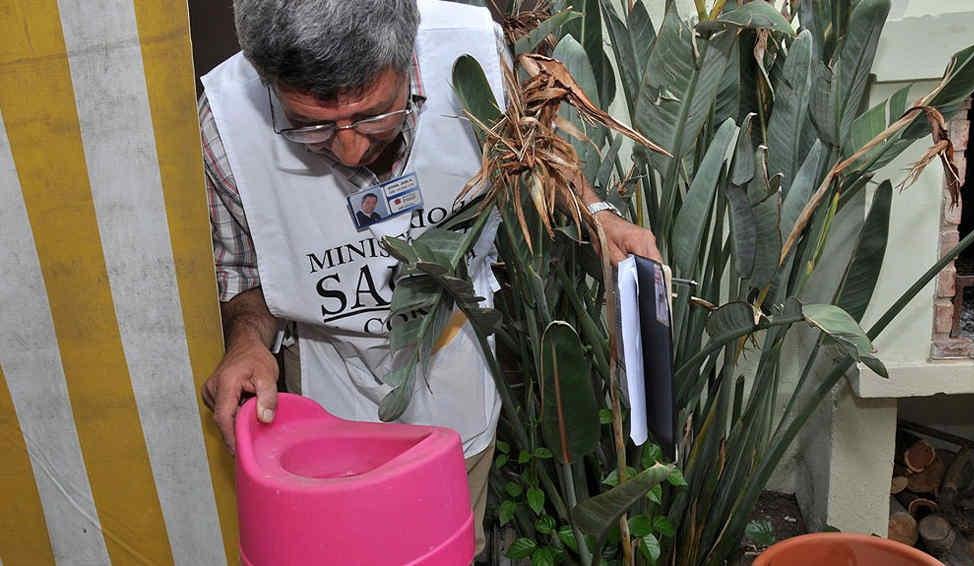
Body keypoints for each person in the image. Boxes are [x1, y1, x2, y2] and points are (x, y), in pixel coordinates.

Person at [199, 0, 660, 556]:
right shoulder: (224, 125)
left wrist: (597, 214)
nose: (347, 147)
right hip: (327, 389)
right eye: (311, 127)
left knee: (448, 542)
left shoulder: (475, 54)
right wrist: (247, 342)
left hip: (456, 364)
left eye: (372, 114)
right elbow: (246, 269)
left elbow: (536, 152)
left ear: (408, 53)